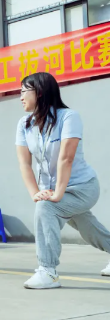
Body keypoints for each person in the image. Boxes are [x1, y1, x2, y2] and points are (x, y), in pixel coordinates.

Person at [16, 73, 110, 289]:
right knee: (88, 228)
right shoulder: (24, 124)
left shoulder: (68, 117)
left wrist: (57, 194)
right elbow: (24, 164)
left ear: (39, 92)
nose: (20, 97)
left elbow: (66, 158)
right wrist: (35, 193)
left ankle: (48, 271)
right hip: (53, 190)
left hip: (81, 188)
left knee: (46, 208)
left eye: (23, 91)